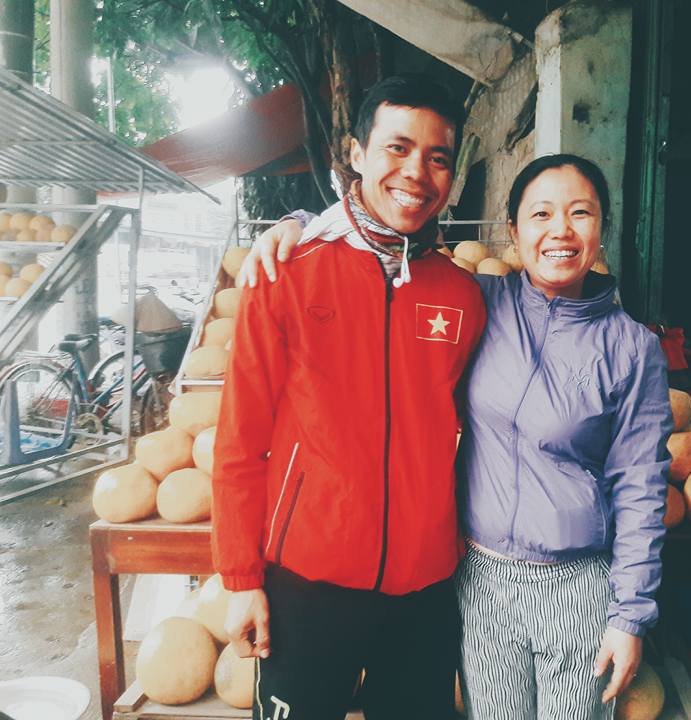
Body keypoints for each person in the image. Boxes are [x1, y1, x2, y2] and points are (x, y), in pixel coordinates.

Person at [249, 153, 673, 719]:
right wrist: (303, 224)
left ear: (602, 228)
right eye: (541, 214)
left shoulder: (633, 348)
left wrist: (630, 616)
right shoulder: (478, 301)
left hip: (578, 587)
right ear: (513, 231)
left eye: (580, 213)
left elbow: (641, 487)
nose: (561, 231)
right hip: (481, 581)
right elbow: (387, 250)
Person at [212, 73, 486, 720]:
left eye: (437, 157)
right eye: (397, 148)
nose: (416, 172)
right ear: (356, 153)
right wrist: (241, 578)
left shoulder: (463, 296)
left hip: (424, 590)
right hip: (305, 583)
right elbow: (240, 440)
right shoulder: (284, 273)